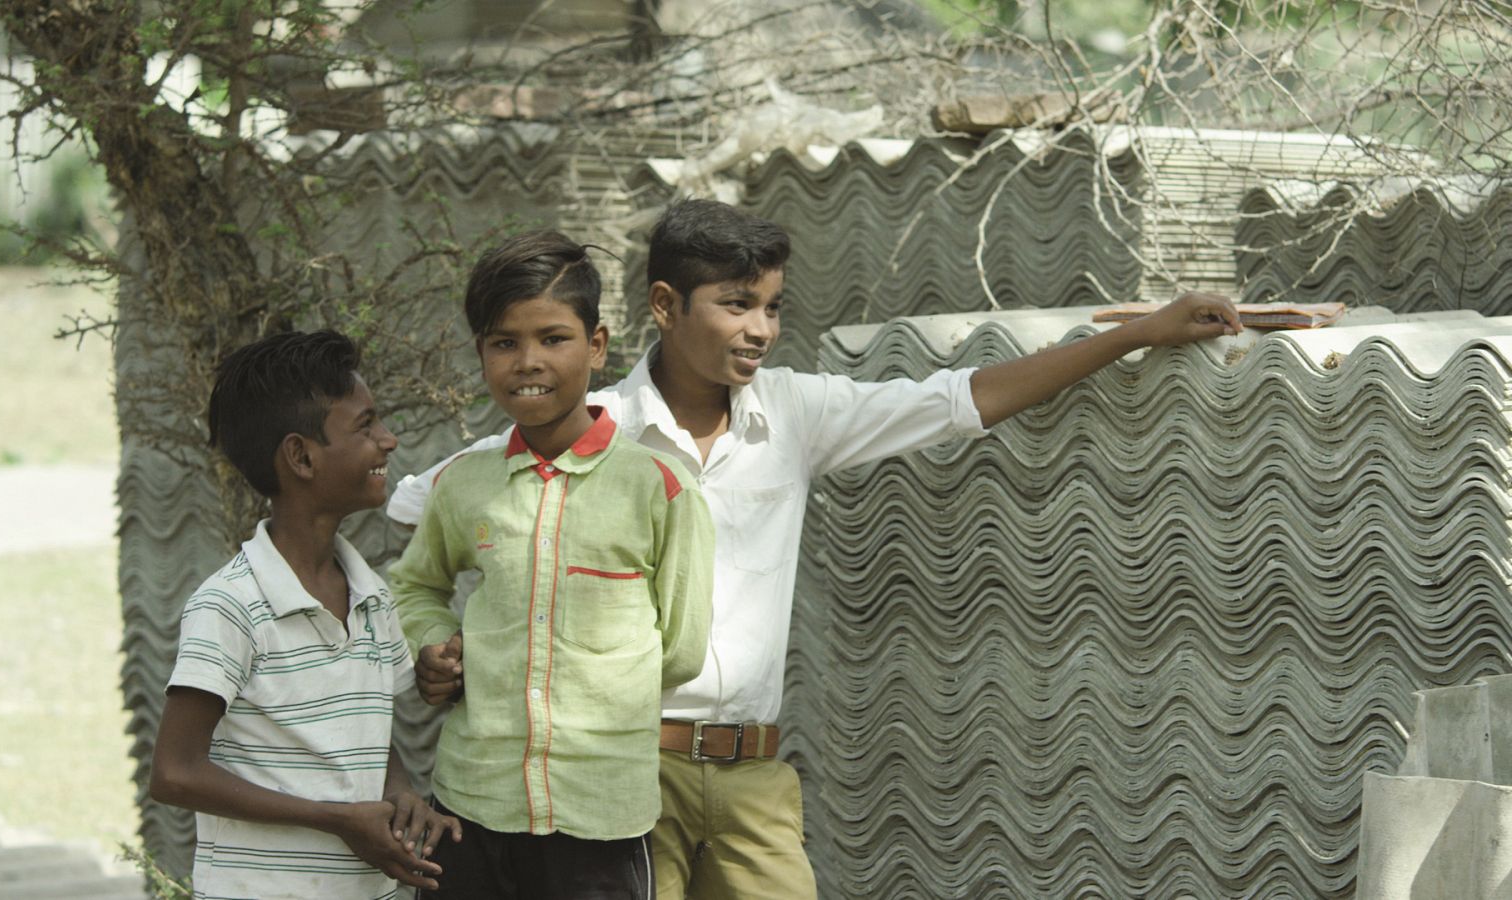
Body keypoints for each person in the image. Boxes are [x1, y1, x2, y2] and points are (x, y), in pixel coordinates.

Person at [390, 200, 1244, 900]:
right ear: (663, 306)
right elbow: (425, 506)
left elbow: (959, 400)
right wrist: (445, 645)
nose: (760, 328)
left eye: (770, 306)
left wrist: (1134, 335)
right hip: (622, 771)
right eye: (734, 303)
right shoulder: (591, 419)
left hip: (752, 769)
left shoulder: (795, 413)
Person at [387, 230, 716, 900]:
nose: (527, 361)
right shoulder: (463, 484)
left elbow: (679, 649)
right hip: (471, 805)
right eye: (504, 343)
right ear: (481, 354)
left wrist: (595, 674)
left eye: (553, 338)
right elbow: (415, 584)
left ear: (596, 346)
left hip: (599, 819)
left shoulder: (659, 485)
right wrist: (432, 648)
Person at [150, 330, 461, 900]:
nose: (388, 441)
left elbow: (364, 739)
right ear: (300, 456)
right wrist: (337, 819)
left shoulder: (370, 596)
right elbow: (174, 772)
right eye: (366, 426)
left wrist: (401, 794)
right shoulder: (230, 607)